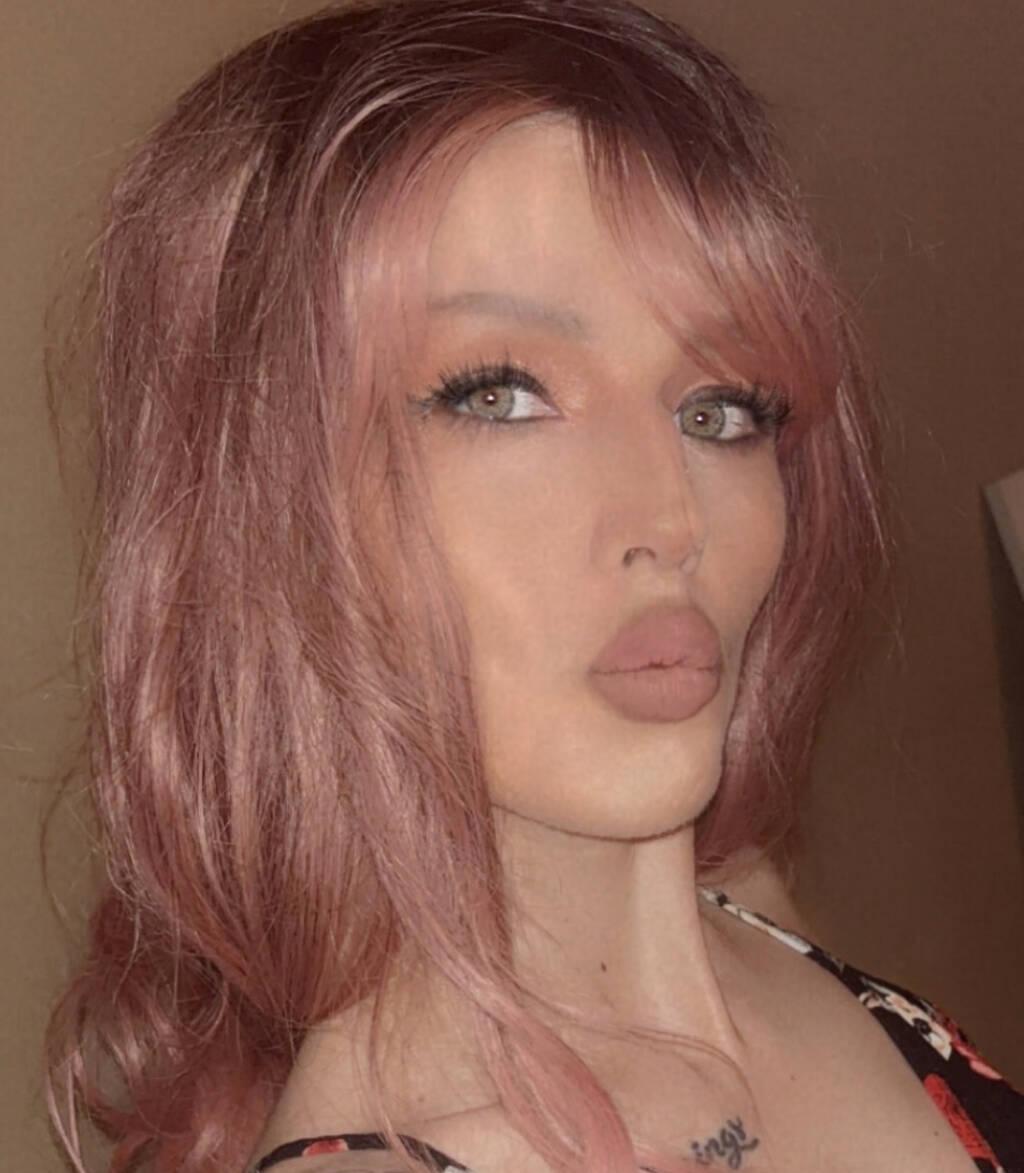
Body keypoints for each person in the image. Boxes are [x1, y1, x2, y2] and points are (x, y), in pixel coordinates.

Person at [42, 1, 1024, 1171]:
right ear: (262, 503)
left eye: (718, 409)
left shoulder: (759, 928)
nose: (673, 518)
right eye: (498, 395)